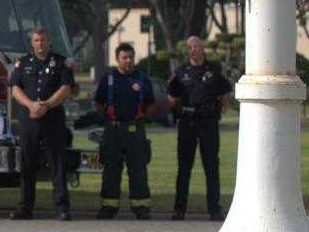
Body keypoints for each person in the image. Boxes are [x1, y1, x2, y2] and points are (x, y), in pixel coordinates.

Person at [8, 26, 75, 221]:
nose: (40, 44)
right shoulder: (23, 63)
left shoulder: (61, 62)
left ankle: (62, 208)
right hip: (29, 118)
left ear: (49, 40)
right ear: (32, 42)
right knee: (27, 162)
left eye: (43, 40)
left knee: (57, 162)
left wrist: (46, 105)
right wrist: (31, 105)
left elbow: (66, 88)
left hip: (52, 116)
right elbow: (15, 89)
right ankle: (25, 208)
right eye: (36, 40)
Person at [168, 35, 233, 221]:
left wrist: (218, 109)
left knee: (211, 166)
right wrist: (181, 110)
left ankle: (214, 208)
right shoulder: (181, 72)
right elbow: (172, 96)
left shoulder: (213, 70)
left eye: (196, 45)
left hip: (208, 122)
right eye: (190, 46)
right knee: (184, 168)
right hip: (187, 123)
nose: (194, 49)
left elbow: (226, 93)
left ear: (202, 48)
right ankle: (179, 209)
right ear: (187, 50)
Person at [94, 43, 156, 220]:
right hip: (113, 130)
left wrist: (141, 119)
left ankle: (141, 207)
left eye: (130, 58)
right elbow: (99, 103)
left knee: (138, 170)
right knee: (111, 170)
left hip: (135, 131)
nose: (128, 61)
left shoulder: (142, 79)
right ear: (117, 59)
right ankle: (108, 207)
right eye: (124, 58)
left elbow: (151, 104)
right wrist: (109, 119)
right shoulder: (108, 79)